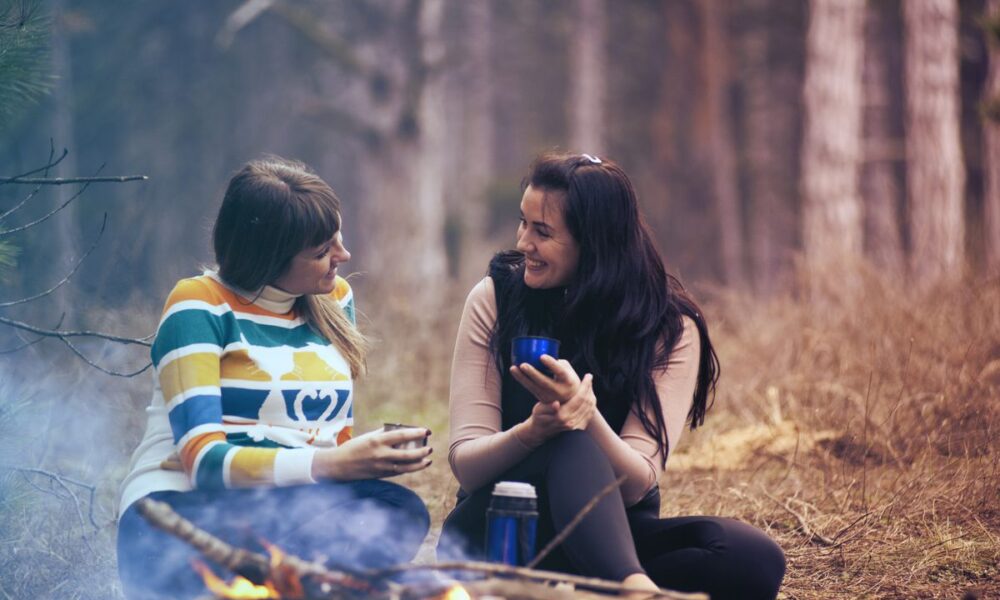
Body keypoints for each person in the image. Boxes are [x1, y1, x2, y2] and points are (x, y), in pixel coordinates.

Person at [439, 153, 785, 599]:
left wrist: (587, 417)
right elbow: (468, 467)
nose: (524, 242)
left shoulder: (669, 327)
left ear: (595, 243)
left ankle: (605, 583)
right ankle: (632, 589)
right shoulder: (495, 299)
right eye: (523, 223)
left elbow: (638, 483)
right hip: (496, 532)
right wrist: (533, 432)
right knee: (566, 441)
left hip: (609, 538)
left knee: (752, 557)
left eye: (542, 231)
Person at [117, 157, 432, 599]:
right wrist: (333, 464)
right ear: (268, 257)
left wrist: (359, 460)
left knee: (398, 509)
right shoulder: (199, 304)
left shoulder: (334, 299)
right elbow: (205, 464)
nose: (342, 257)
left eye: (338, 238)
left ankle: (284, 584)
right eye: (322, 252)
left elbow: (330, 436)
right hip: (182, 512)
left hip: (282, 510)